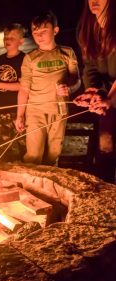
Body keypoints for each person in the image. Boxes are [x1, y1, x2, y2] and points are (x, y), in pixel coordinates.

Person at [14, 10, 81, 165]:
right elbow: (24, 89)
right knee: (34, 154)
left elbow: (77, 79)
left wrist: (69, 88)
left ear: (55, 30)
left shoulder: (67, 52)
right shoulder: (30, 58)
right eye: (35, 32)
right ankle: (29, 184)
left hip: (59, 111)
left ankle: (48, 186)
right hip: (36, 112)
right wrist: (20, 115)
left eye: (44, 31)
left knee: (54, 153)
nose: (39, 36)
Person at [74, 0, 116, 183]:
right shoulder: (89, 31)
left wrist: (111, 98)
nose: (95, 1)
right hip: (109, 104)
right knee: (105, 149)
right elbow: (90, 66)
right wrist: (94, 91)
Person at [0, 23, 26, 161]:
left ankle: (27, 172)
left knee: (24, 146)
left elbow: (23, 86)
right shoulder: (0, 59)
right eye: (5, 38)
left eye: (12, 38)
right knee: (3, 147)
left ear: (21, 41)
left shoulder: (24, 60)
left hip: (19, 110)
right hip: (3, 111)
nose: (7, 40)